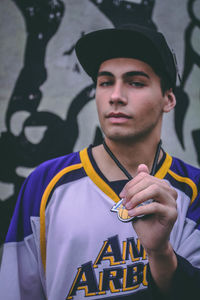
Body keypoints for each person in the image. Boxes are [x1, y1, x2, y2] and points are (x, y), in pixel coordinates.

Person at [0, 23, 200, 300]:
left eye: (135, 82)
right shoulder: (44, 183)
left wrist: (160, 253)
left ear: (168, 99)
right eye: (105, 82)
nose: (115, 96)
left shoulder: (195, 189)